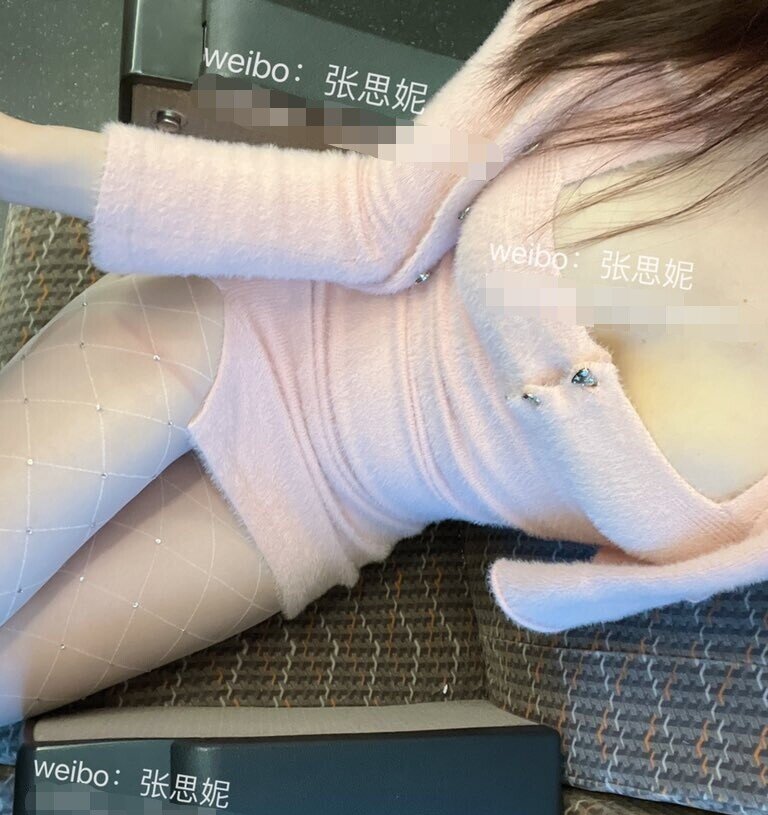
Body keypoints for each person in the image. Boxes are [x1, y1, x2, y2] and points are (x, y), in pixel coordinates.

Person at [0, 0, 767, 726]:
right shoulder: (691, 43)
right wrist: (18, 154)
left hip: (325, 509)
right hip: (221, 332)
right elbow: (369, 220)